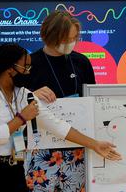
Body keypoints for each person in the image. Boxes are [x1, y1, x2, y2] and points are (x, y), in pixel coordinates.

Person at [0, 43, 121, 192]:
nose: (29, 72)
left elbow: (57, 125)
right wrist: (21, 118)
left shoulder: (23, 94)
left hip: (14, 167)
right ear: (9, 69)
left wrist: (94, 144)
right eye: (25, 67)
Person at [20, 10, 96, 192]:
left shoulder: (81, 62)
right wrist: (31, 95)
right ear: (50, 36)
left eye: (74, 38)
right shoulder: (30, 65)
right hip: (41, 150)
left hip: (76, 148)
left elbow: (93, 101)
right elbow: (15, 107)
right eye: (66, 39)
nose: (71, 43)